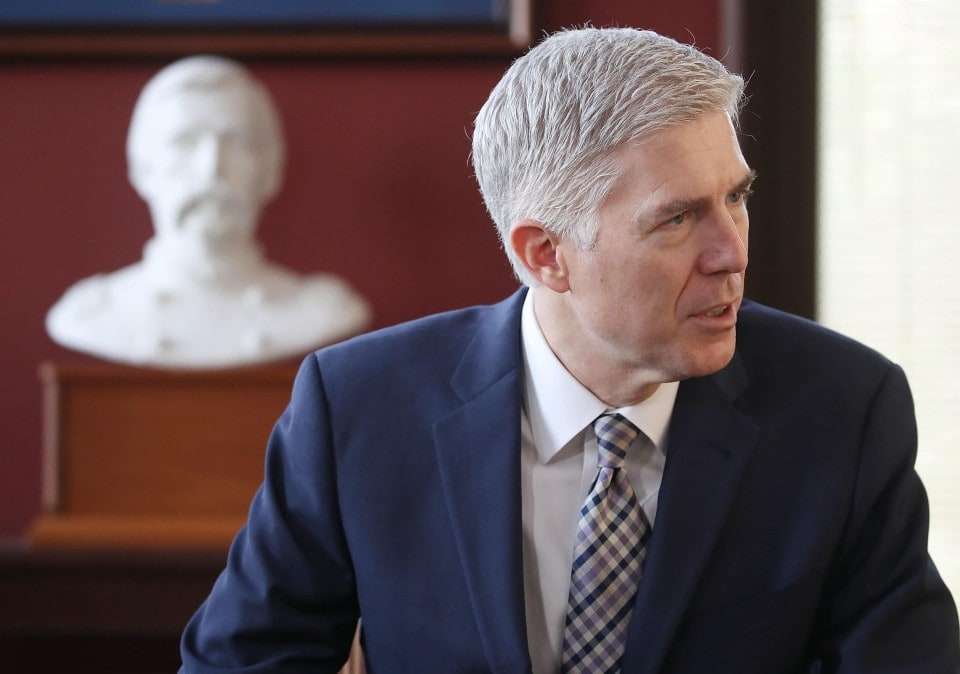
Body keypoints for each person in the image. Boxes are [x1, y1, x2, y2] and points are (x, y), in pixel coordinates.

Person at [179, 28, 960, 673]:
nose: (732, 253)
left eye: (737, 198)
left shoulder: (843, 408)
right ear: (546, 254)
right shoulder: (360, 407)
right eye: (679, 219)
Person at [46, 56, 370, 370]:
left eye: (236, 143)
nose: (212, 169)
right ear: (142, 167)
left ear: (270, 169)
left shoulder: (322, 312)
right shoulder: (91, 315)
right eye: (184, 142)